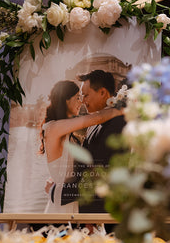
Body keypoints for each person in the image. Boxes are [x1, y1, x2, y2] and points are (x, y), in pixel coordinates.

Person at [40, 80, 123, 213]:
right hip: (63, 205)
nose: (81, 102)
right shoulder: (52, 128)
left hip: (73, 201)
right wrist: (120, 109)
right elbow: (96, 118)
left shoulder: (70, 134)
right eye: (77, 98)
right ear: (65, 100)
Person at [60, 70, 127, 214]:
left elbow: (101, 176)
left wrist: (60, 191)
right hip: (90, 213)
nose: (83, 100)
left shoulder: (117, 125)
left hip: (105, 215)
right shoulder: (96, 122)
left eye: (86, 95)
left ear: (103, 93)